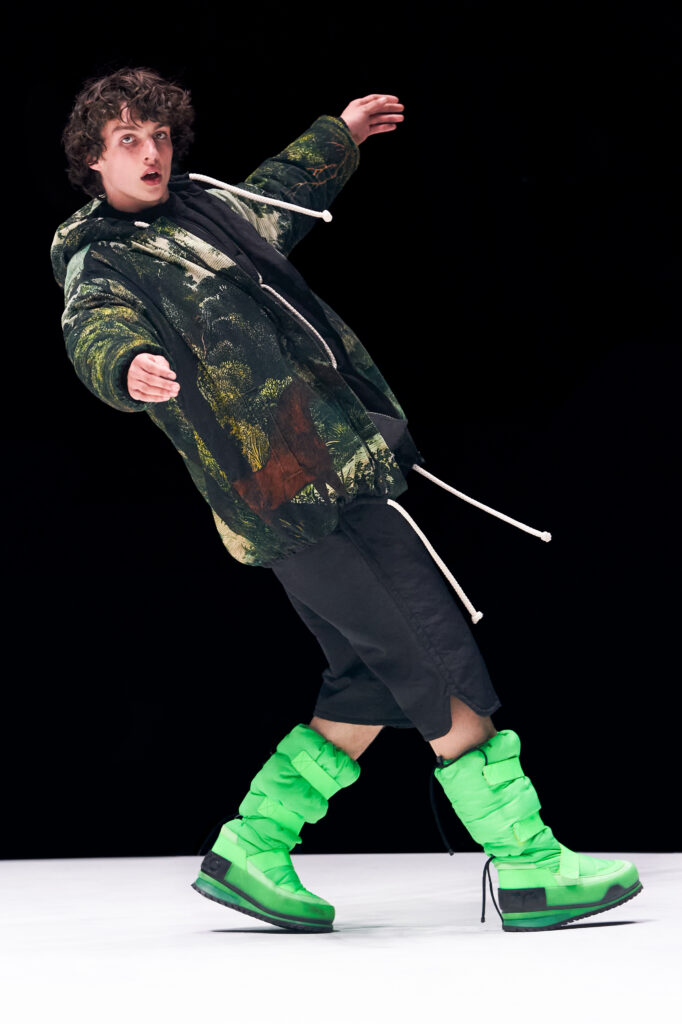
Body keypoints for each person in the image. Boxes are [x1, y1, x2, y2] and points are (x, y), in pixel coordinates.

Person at [52, 67, 641, 933]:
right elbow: (94, 324)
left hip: (340, 461)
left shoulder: (208, 211)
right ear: (94, 159)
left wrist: (342, 135)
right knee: (429, 651)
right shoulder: (99, 254)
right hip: (278, 493)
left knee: (370, 676)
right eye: (128, 140)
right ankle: (529, 865)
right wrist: (126, 366)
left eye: (161, 135)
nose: (151, 154)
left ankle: (252, 849)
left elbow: (279, 194)